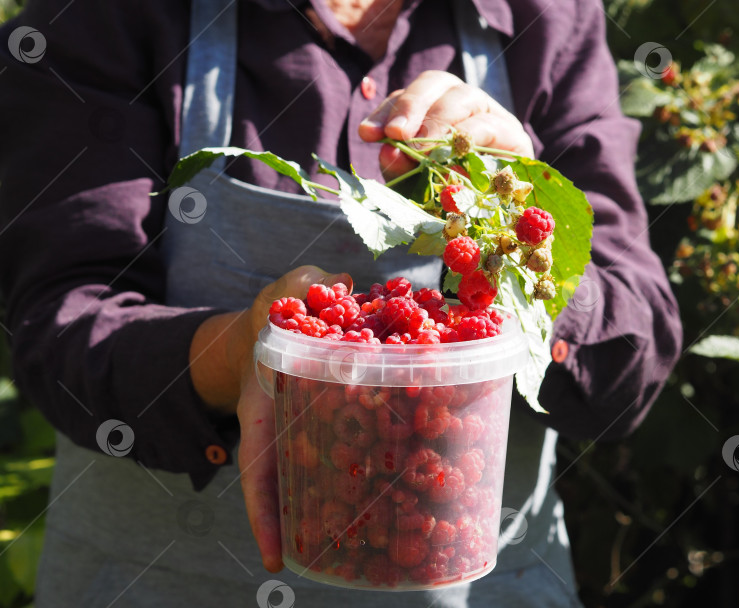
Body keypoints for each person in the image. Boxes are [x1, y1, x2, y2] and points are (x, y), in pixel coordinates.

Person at [0, 0, 682, 606]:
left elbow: (634, 360)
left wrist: (513, 233)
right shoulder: (100, 18)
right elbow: (61, 327)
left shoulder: (545, 17)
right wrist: (239, 351)